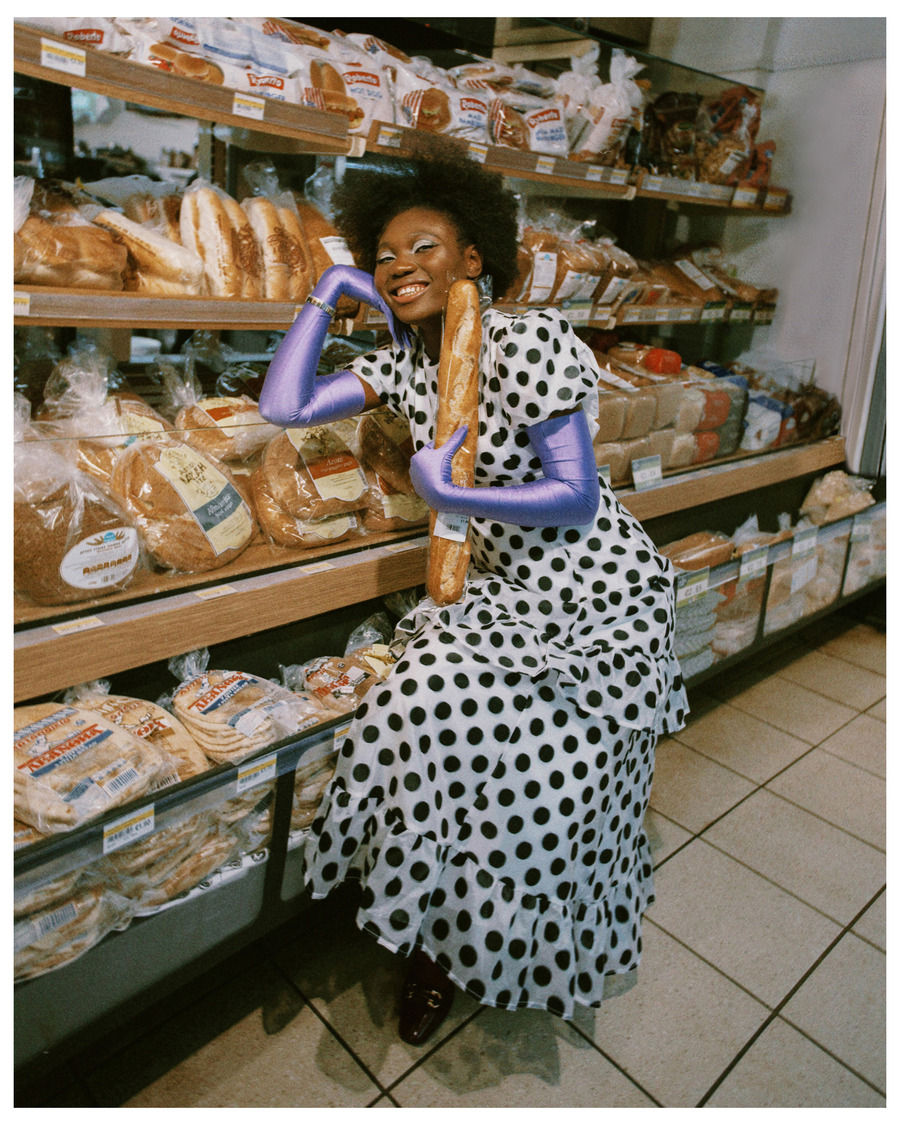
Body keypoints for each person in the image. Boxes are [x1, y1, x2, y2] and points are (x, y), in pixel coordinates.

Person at [258, 150, 688, 1046]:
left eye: (424, 247)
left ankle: (457, 956)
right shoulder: (406, 364)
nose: (400, 264)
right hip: (504, 592)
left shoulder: (530, 342)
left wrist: (455, 495)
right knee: (416, 713)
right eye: (383, 255)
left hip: (595, 595)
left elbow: (576, 495)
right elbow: (285, 404)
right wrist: (327, 289)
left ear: (473, 259)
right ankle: (427, 927)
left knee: (541, 784)